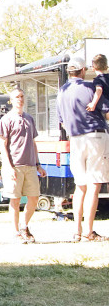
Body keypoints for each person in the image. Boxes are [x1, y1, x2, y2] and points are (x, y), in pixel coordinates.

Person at [56, 56, 109, 242]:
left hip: (75, 139)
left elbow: (61, 121)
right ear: (83, 70)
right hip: (94, 136)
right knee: (95, 185)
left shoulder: (62, 92)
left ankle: (77, 231)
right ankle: (89, 231)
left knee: (80, 186)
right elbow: (106, 110)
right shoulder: (90, 87)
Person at [0, 88, 46, 243]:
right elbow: (3, 145)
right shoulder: (6, 119)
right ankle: (16, 232)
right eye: (17, 97)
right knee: (15, 199)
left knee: (34, 197)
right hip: (14, 165)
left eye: (22, 96)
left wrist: (38, 164)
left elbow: (33, 142)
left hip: (30, 165)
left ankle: (25, 226)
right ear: (11, 100)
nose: (20, 99)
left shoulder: (29, 118)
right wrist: (9, 166)